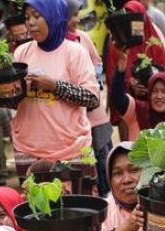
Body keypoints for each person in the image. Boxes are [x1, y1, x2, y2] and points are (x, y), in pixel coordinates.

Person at [11, 0, 100, 182]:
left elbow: (92, 98)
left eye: (37, 16)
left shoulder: (75, 53)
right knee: (35, 207)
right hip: (28, 149)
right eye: (27, 17)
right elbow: (12, 101)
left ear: (54, 16)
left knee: (77, 207)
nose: (31, 23)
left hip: (71, 149)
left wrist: (55, 86)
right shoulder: (21, 53)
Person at [104, 0, 165, 140]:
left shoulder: (154, 36)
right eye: (127, 15)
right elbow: (112, 76)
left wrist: (151, 84)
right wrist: (130, 83)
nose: (131, 20)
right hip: (129, 109)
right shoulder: (117, 40)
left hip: (156, 106)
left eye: (135, 16)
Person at [67, 0, 113, 196]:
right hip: (72, 126)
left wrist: (91, 82)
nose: (78, 19)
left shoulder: (82, 38)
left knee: (104, 164)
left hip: (95, 119)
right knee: (84, 175)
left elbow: (97, 63)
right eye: (73, 15)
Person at [111, 49, 165, 141]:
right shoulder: (139, 111)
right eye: (154, 91)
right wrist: (122, 65)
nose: (159, 96)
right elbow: (117, 98)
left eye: (164, 92)